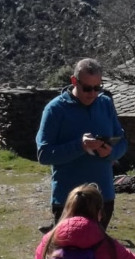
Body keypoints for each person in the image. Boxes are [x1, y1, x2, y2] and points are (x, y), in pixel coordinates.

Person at [36, 58, 128, 232]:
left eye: (97, 87)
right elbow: (44, 154)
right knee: (65, 256)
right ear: (73, 81)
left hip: (103, 197)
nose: (93, 93)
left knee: (97, 255)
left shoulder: (106, 104)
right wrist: (80, 146)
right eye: (87, 88)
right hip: (68, 199)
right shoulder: (55, 109)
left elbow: (122, 142)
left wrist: (110, 153)